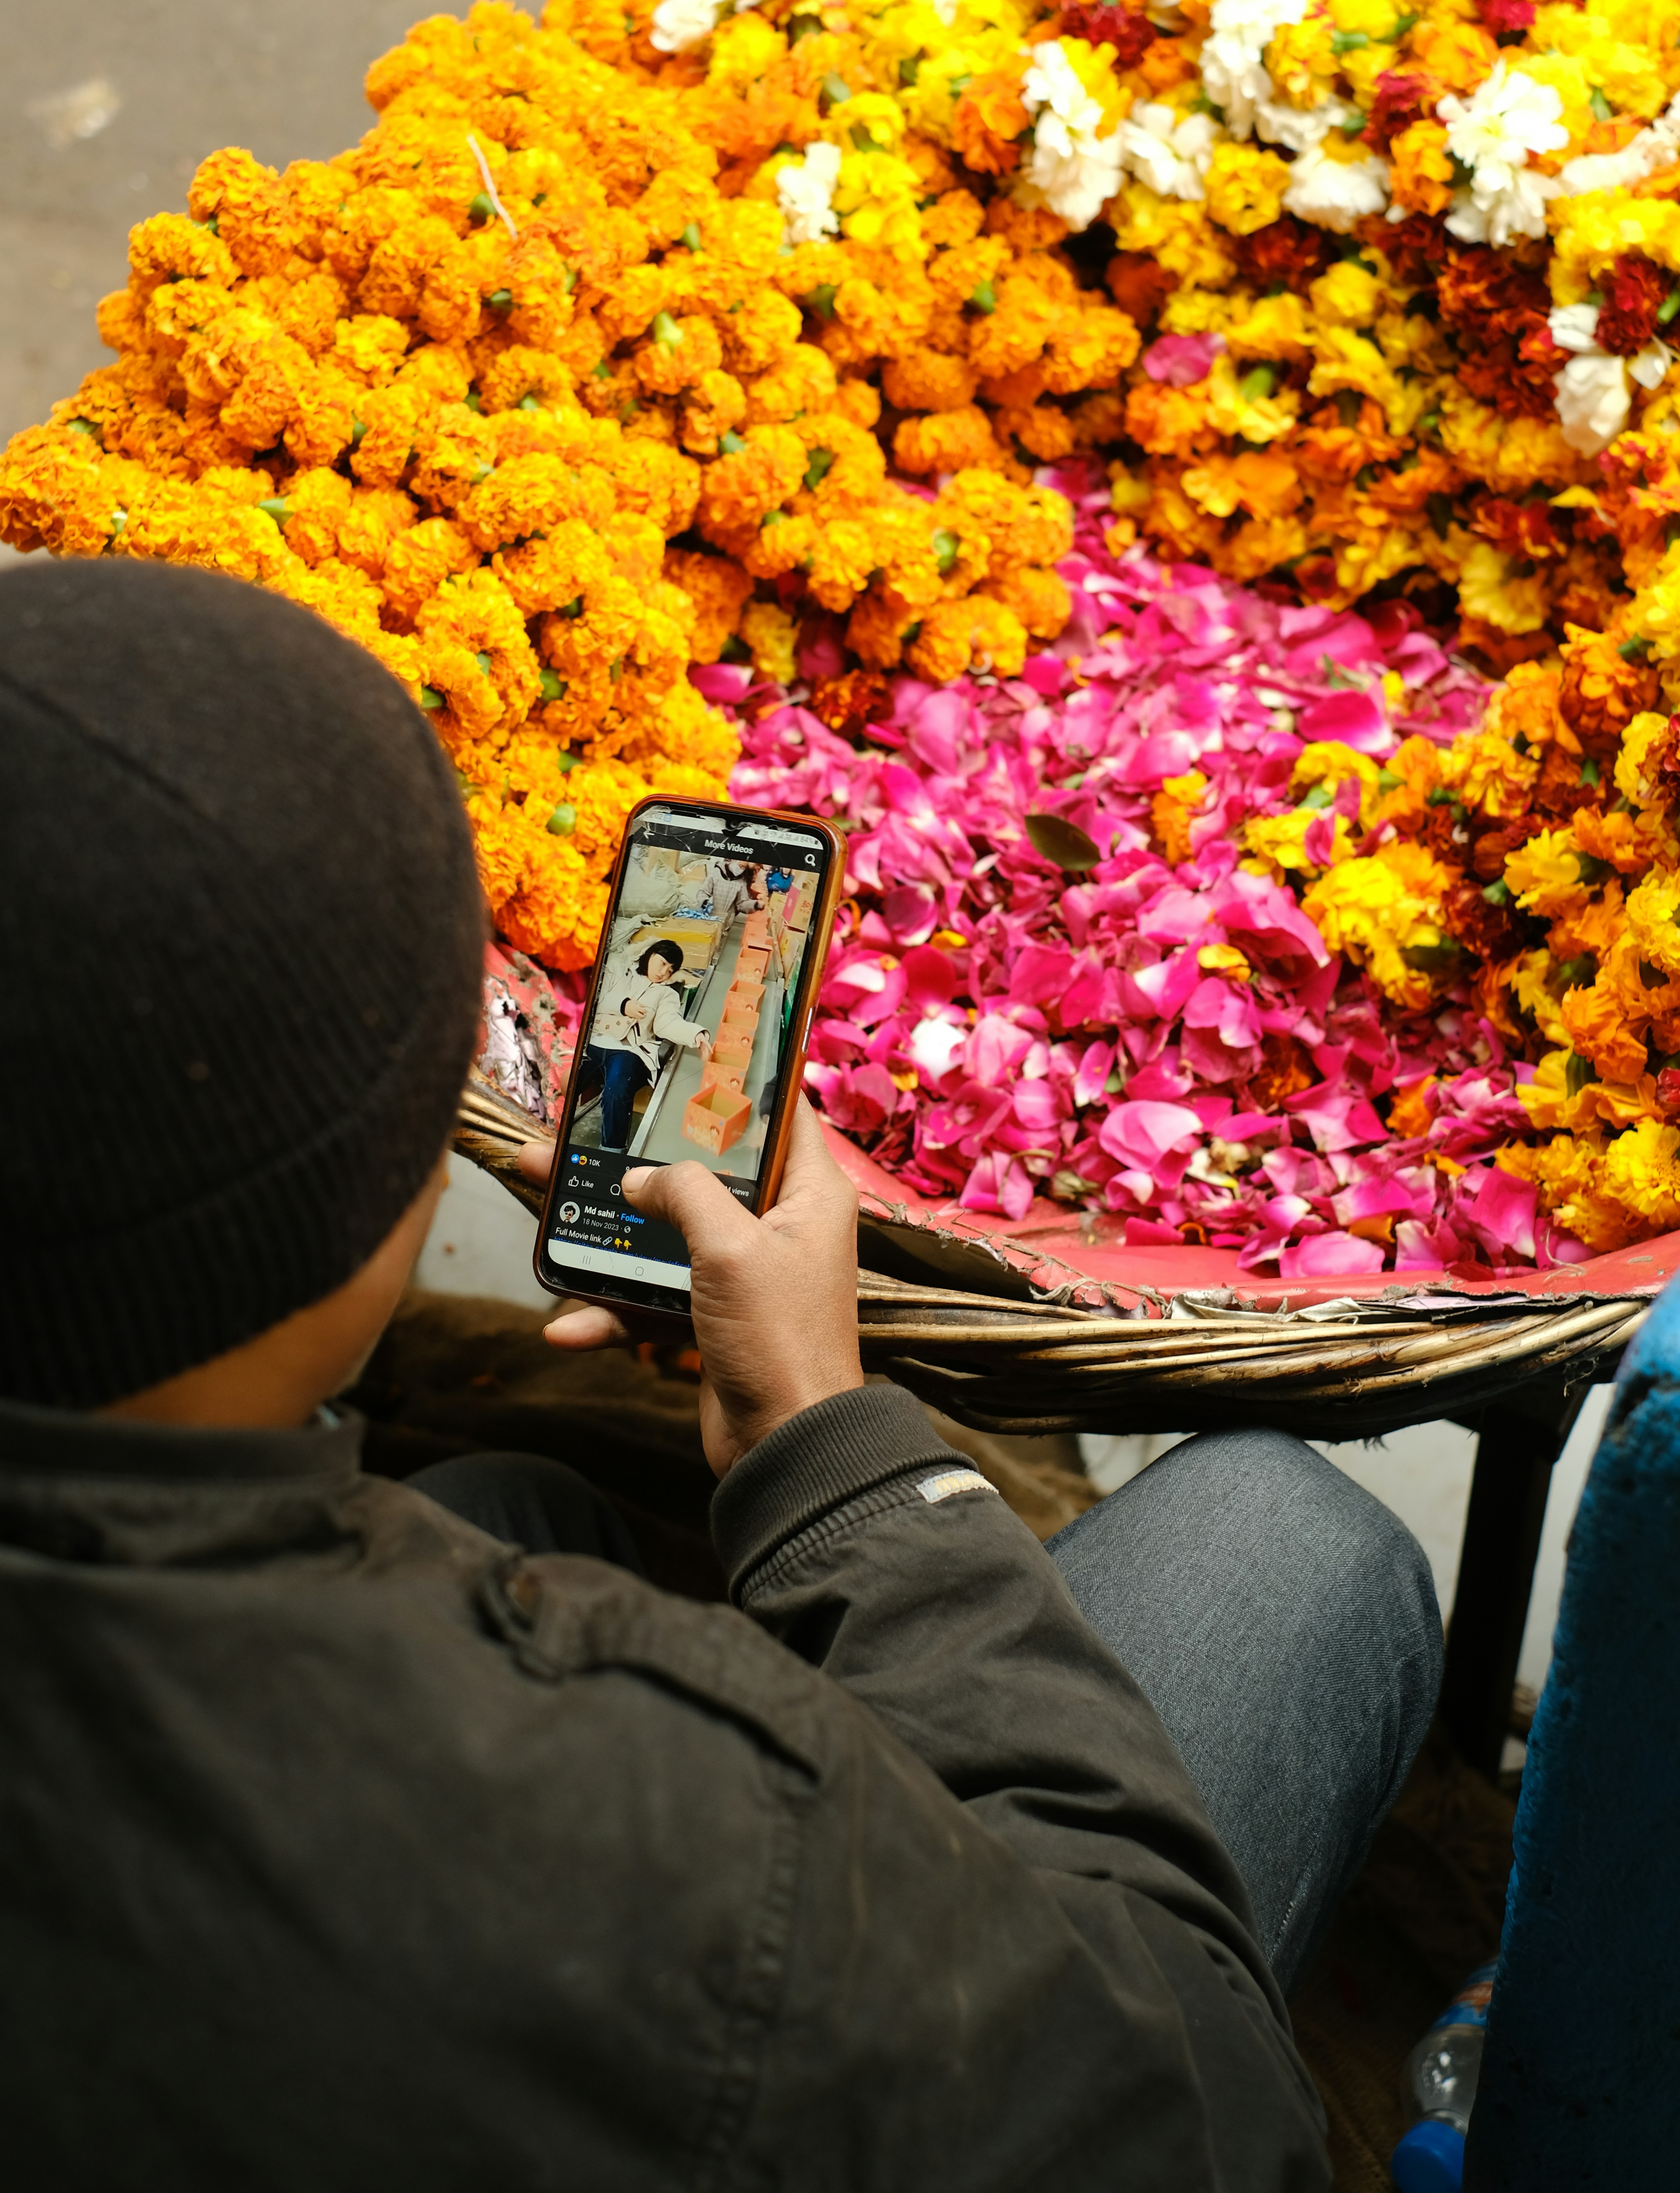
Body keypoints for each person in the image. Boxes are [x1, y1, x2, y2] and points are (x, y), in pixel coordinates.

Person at [0, 558, 1442, 2191]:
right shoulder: (659, 1852)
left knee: (522, 1505)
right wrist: (841, 1459)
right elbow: (1195, 2116)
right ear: (383, 1186)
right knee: (1277, 1543)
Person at [583, 934, 712, 1151]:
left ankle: (612, 1151)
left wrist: (697, 1035)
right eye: (662, 963)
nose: (663, 973)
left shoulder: (666, 994)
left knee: (617, 1088)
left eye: (670, 970)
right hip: (594, 1042)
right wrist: (623, 1005)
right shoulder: (621, 972)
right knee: (569, 1075)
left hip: (630, 1050)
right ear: (651, 954)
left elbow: (668, 1024)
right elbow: (596, 997)